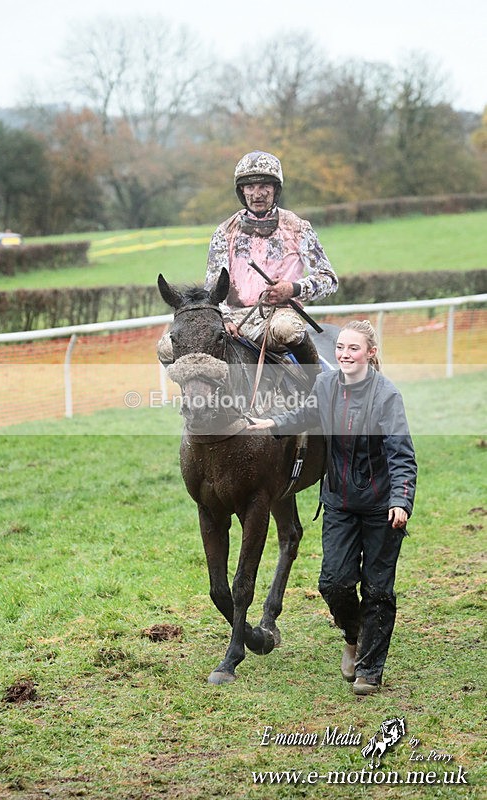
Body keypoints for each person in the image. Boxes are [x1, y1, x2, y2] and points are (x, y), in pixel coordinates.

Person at [250, 320, 417, 695]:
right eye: (340, 347)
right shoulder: (326, 385)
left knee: (377, 590)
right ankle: (353, 635)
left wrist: (401, 500)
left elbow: (402, 454)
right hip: (339, 502)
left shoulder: (386, 396)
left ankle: (369, 672)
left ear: (370, 353)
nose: (344, 354)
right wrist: (273, 422)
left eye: (353, 348)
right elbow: (306, 415)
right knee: (334, 583)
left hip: (381, 507)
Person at [157, 150, 338, 365]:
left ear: (275, 189)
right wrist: (222, 318)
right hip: (232, 319)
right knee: (166, 349)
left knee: (288, 330)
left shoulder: (298, 227)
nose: (257, 194)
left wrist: (292, 289)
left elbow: (329, 279)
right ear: (241, 191)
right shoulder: (224, 232)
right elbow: (214, 289)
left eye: (264, 186)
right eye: (250, 187)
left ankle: (316, 385)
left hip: (278, 316)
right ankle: (195, 398)